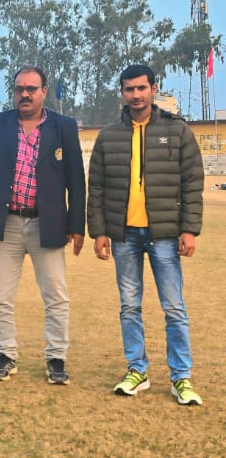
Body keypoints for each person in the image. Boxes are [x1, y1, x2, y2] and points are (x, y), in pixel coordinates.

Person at [87, 63, 204, 406]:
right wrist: (99, 232)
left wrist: (189, 229)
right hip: (124, 236)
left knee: (174, 308)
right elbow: (96, 188)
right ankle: (136, 370)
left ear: (154, 89)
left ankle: (181, 377)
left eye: (141, 88)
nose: (135, 95)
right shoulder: (109, 136)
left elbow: (192, 182)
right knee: (129, 307)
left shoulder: (178, 131)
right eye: (129, 89)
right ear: (121, 92)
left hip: (165, 235)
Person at [0, 65, 85, 383]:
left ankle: (56, 358)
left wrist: (77, 225)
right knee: (0, 295)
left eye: (31, 89)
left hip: (47, 224)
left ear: (43, 92)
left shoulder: (62, 127)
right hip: (6, 223)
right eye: (19, 88)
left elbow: (76, 179)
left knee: (56, 296)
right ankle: (6, 354)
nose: (24, 94)